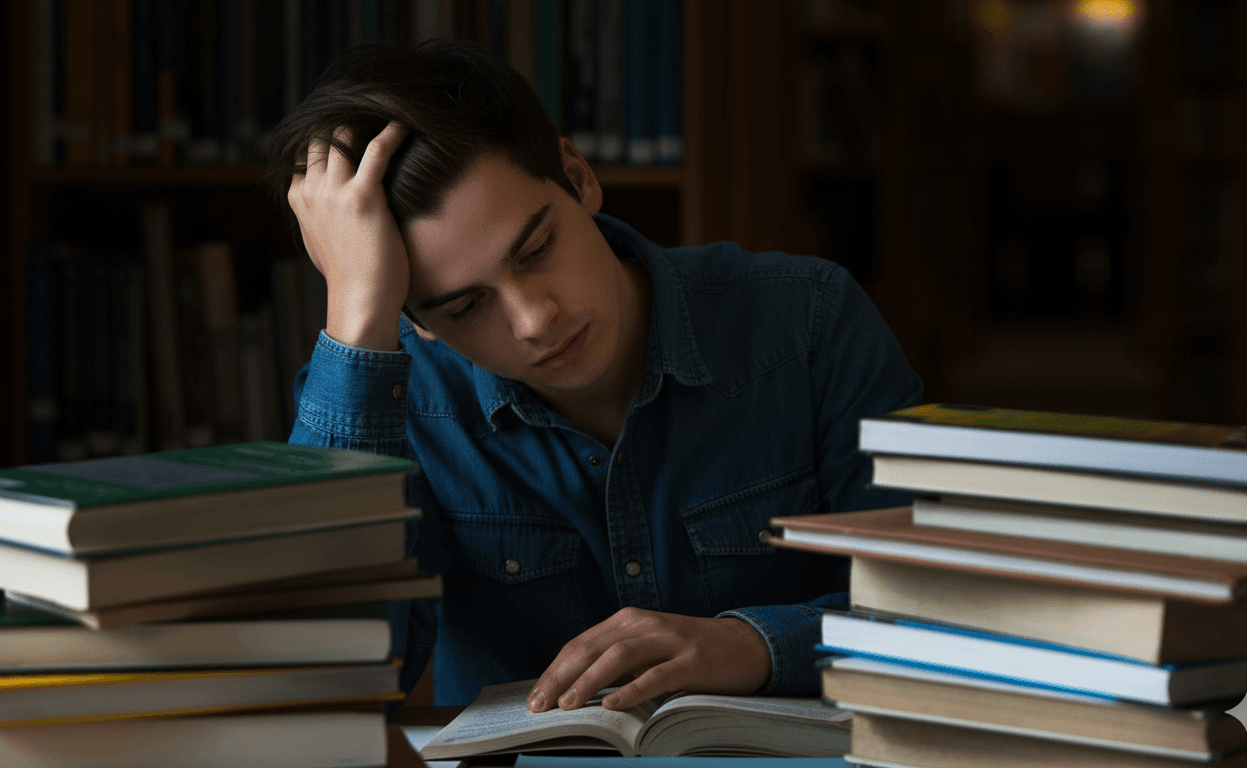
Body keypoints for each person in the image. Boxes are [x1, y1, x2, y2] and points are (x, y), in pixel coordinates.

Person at [268, 40, 922, 711]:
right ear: (417, 319)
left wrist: (756, 646)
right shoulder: (395, 398)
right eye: (465, 305)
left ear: (578, 177)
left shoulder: (809, 323)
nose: (534, 319)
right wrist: (355, 319)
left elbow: (945, 615)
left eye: (538, 248)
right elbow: (331, 682)